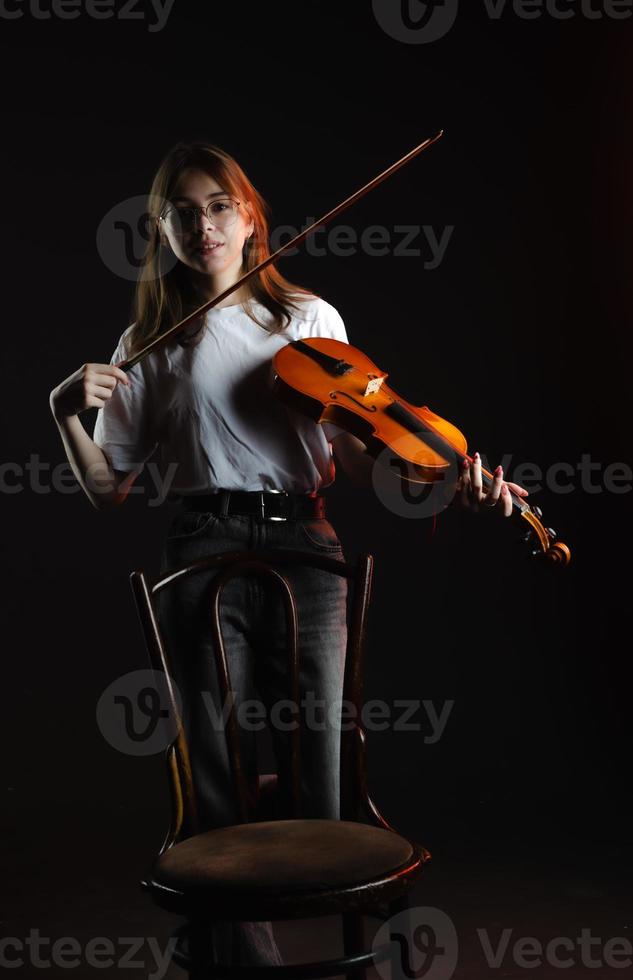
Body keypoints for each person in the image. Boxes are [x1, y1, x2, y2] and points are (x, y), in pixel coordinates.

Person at [48, 140, 528, 969]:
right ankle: (245, 959)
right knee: (213, 755)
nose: (204, 225)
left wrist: (448, 476)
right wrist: (61, 412)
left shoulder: (307, 318)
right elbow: (105, 489)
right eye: (183, 211)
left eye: (219, 206)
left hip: (305, 541)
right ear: (160, 229)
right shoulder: (147, 343)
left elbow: (359, 446)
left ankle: (346, 941)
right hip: (202, 545)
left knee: (323, 756)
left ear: (249, 217)